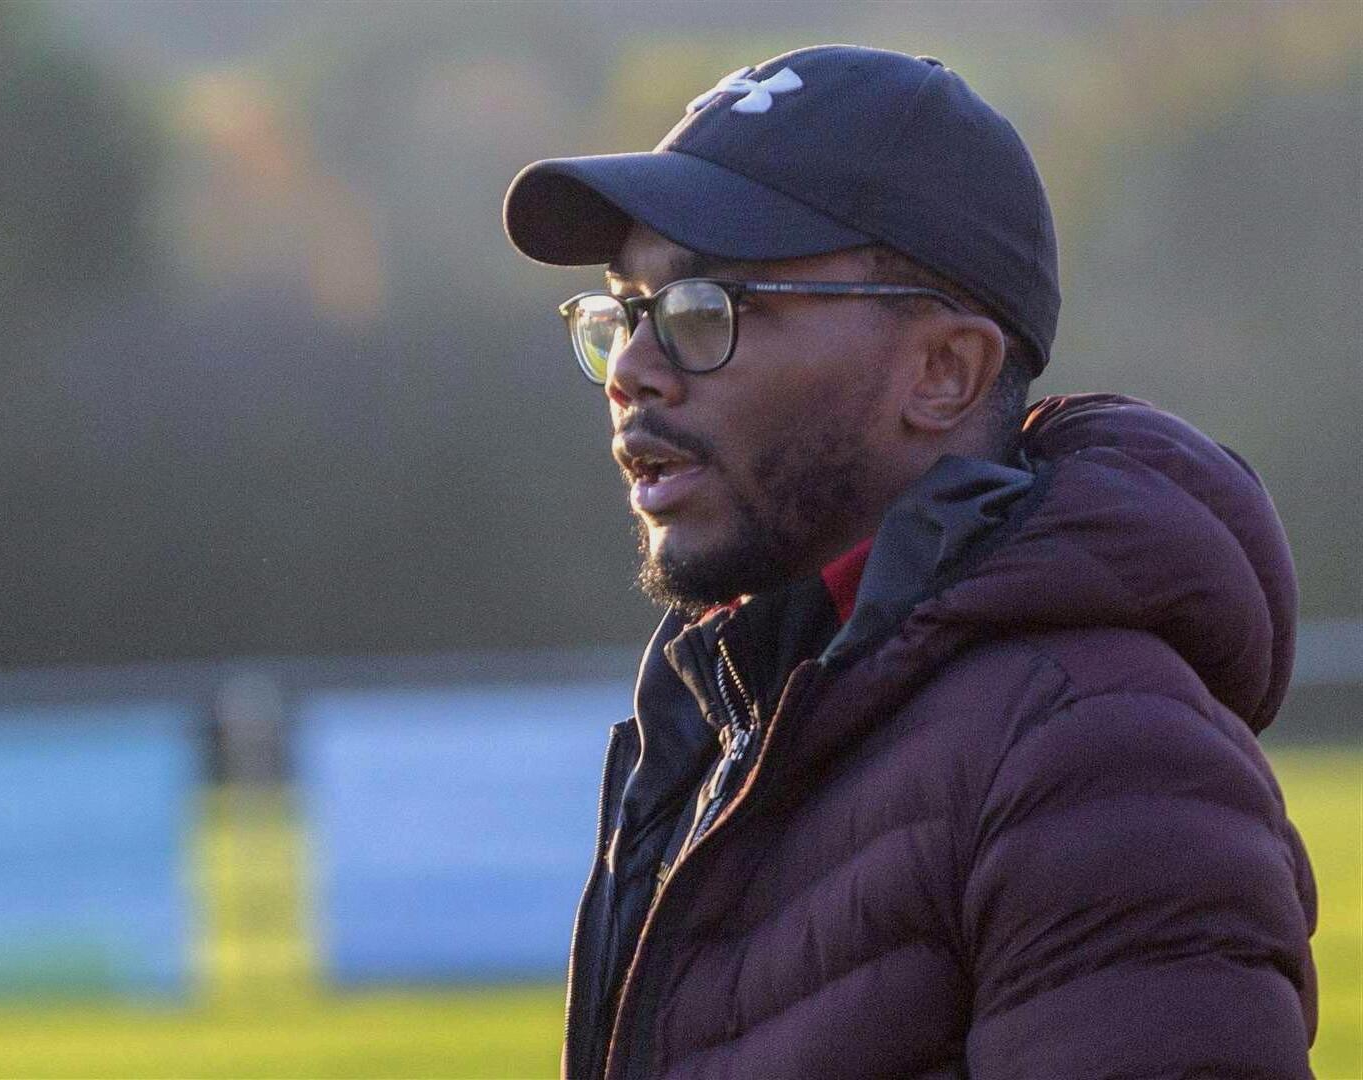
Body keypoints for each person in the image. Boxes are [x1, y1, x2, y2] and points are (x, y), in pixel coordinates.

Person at [502, 45, 1317, 1080]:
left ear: (944, 372)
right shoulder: (736, 717)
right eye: (623, 312)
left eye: (705, 309)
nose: (630, 369)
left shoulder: (1100, 757)